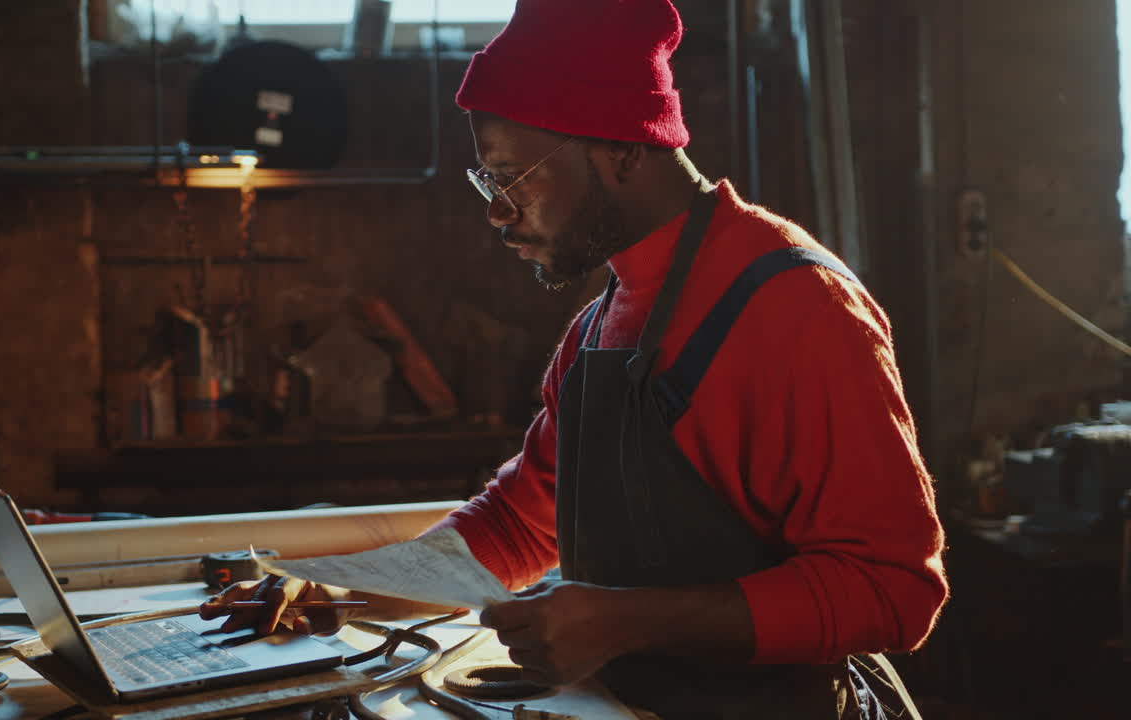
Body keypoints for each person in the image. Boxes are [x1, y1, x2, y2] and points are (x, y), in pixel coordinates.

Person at [201, 1, 948, 717]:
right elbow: (516, 528)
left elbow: (893, 591)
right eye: (486, 182)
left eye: (512, 177)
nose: (496, 212)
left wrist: (630, 620)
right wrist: (329, 589)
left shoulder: (798, 310)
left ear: (623, 147)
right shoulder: (597, 329)